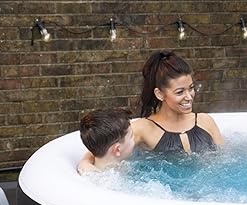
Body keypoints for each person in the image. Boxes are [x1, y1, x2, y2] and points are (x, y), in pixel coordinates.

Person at [78, 50, 223, 170]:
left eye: (191, 88)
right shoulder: (144, 128)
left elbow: (223, 160)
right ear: (159, 94)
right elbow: (104, 145)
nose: (189, 97)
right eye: (179, 92)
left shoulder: (205, 121)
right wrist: (85, 163)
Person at [77, 108, 135, 172]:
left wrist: (85, 161)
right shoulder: (112, 178)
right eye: (131, 136)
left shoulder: (91, 168)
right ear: (117, 149)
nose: (134, 138)